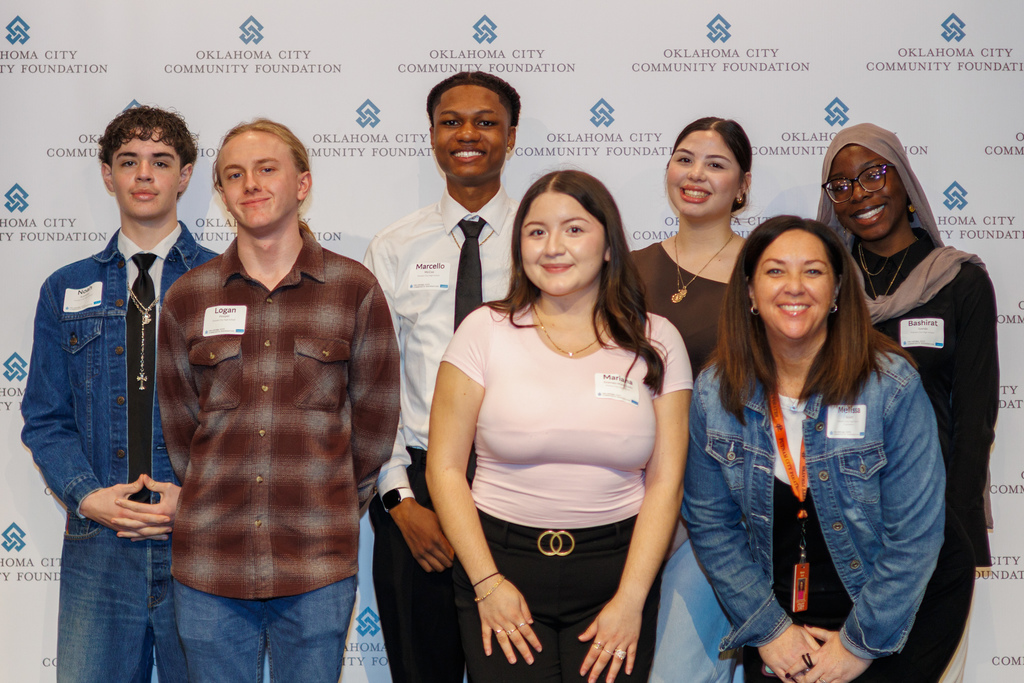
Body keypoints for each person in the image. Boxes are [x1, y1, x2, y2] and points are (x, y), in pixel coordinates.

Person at [157, 119, 400, 683]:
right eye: (234, 175)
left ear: (302, 183)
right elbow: (180, 429)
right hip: (208, 566)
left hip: (316, 561)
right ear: (220, 194)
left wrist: (331, 500)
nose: (251, 184)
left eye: (267, 169)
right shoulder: (188, 296)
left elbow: (374, 425)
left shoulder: (353, 289)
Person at [427, 170, 692, 683]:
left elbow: (665, 483)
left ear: (609, 244)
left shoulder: (656, 339)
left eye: (574, 229)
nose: (553, 247)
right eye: (536, 231)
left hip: (617, 574)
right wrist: (487, 583)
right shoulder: (483, 331)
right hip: (499, 566)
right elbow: (443, 468)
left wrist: (631, 600)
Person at [683, 216, 974, 682]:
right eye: (775, 271)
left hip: (899, 604)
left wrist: (859, 645)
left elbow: (915, 537)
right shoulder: (716, 393)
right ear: (749, 294)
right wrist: (770, 631)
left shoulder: (890, 385)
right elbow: (710, 524)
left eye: (813, 272)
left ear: (838, 291)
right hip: (782, 610)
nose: (794, 287)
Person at [21, 105, 215, 683]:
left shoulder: (225, 282)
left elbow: (248, 418)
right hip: (98, 545)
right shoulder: (65, 287)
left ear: (184, 176)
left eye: (161, 162)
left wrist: (199, 499)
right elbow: (45, 419)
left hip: (200, 541)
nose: (144, 175)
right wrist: (87, 497)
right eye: (128, 162)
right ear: (108, 175)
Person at [817, 123, 996, 680]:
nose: (861, 194)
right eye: (841, 186)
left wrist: (956, 530)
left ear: (904, 181)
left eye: (874, 174)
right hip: (839, 525)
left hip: (935, 522)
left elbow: (976, 417)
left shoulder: (958, 281)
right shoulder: (823, 289)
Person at [363, 70, 521, 683]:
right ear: (431, 137)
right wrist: (399, 499)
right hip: (417, 487)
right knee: (420, 667)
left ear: (510, 136)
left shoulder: (544, 242)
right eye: (451, 121)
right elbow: (371, 388)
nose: (468, 134)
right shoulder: (394, 247)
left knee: (511, 662)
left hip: (515, 483)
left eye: (486, 121)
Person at [632, 116, 751, 682]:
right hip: (626, 500)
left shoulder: (767, 274)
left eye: (715, 163)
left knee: (683, 669)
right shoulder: (626, 271)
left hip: (720, 507)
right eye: (684, 158)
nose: (695, 174)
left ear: (742, 185)